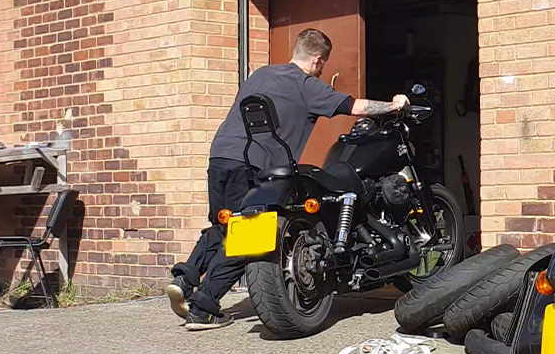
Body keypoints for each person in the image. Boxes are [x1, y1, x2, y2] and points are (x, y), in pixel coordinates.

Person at [167, 28, 410, 329]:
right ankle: (204, 307)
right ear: (319, 60)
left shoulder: (260, 75)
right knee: (249, 238)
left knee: (222, 227)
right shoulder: (306, 85)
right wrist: (394, 105)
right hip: (255, 165)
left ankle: (185, 277)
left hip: (221, 156)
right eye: (323, 65)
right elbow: (355, 107)